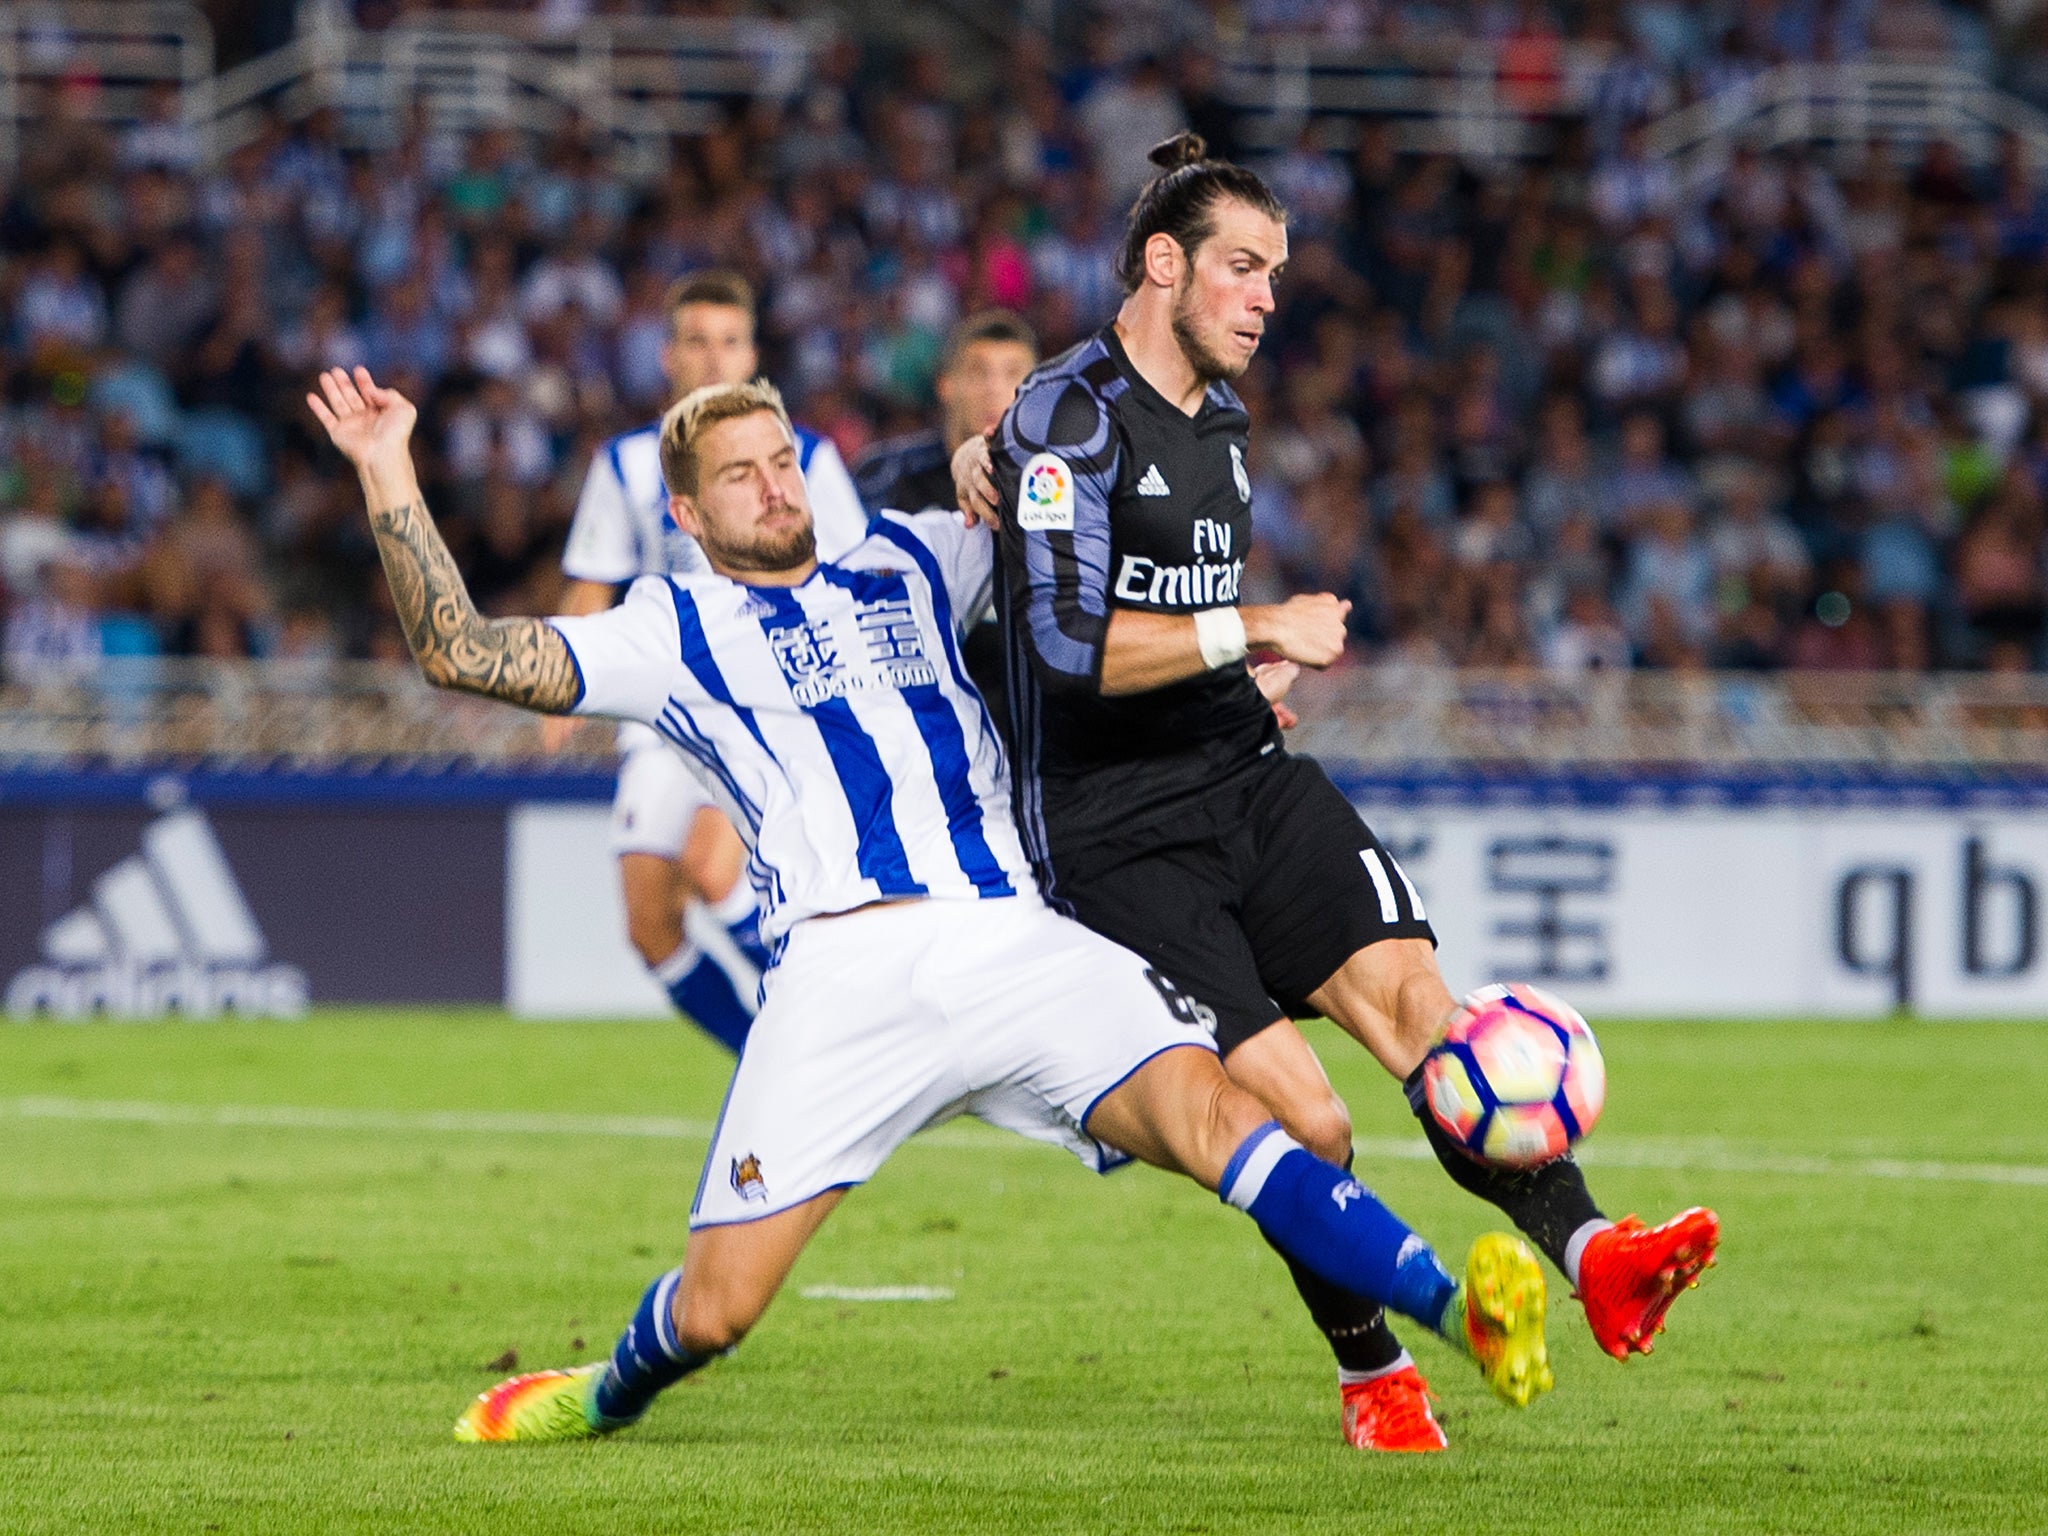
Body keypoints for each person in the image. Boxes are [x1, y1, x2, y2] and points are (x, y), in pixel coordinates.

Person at [306, 364, 1554, 1443]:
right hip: (844, 976)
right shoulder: (667, 628)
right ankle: (611, 1393)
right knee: (716, 1311)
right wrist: (383, 468)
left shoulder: (913, 555)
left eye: (782, 460)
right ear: (684, 514)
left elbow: (1066, 551)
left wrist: (985, 458)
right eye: (737, 475)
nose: (773, 486)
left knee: (1221, 1115)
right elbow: (460, 650)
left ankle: (1461, 1310)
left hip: (1017, 935)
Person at [955, 133, 1718, 1452]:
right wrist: (1256, 629)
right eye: (1243, 269)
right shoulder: (1064, 418)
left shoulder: (1227, 426)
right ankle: (1373, 1376)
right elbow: (1065, 652)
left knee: (1430, 1015)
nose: (1264, 298)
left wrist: (1238, 679)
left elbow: (1169, 620)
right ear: (1162, 263)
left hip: (1245, 778)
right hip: (1116, 833)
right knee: (1303, 1114)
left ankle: (1598, 1255)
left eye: (1275, 275)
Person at [548, 271, 869, 1050]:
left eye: (730, 341)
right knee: (650, 925)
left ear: (753, 354)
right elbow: (593, 583)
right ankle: (767, 1057)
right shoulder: (626, 465)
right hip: (665, 709)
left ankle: (838, 1040)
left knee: (716, 870)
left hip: (768, 697)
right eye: (697, 341)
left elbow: (858, 581)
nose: (714, 358)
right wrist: (553, 687)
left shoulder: (807, 460)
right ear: (667, 356)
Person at [856, 308, 1040, 712]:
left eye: (1012, 373)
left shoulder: (1059, 487)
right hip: (914, 709)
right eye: (978, 372)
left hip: (1030, 719)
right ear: (945, 385)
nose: (995, 388)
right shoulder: (886, 476)